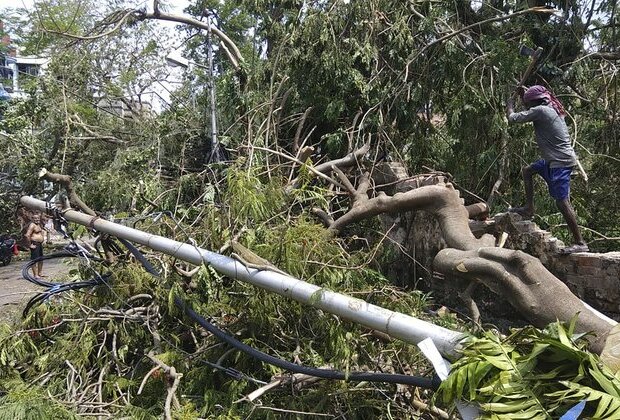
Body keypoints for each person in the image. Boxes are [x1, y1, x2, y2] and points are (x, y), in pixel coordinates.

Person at [506, 85, 588, 254]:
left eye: (529, 103)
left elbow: (512, 118)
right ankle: (529, 208)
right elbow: (531, 107)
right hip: (552, 161)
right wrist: (524, 96)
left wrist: (510, 104)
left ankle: (580, 242)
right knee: (528, 170)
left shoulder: (542, 111)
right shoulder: (549, 108)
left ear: (536, 102)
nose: (528, 107)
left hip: (561, 162)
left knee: (562, 201)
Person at [25, 212, 46, 278]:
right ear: (32, 219)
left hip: (39, 244)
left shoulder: (38, 225)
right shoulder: (32, 225)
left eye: (38, 218)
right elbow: (27, 235)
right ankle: (35, 275)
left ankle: (39, 273)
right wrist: (30, 245)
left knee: (41, 259)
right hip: (34, 244)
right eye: (35, 218)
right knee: (34, 260)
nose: (37, 219)